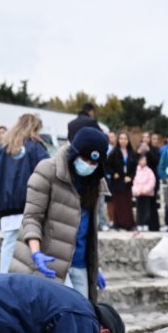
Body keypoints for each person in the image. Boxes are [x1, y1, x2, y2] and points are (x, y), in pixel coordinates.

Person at [8, 124, 111, 296]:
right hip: (49, 260)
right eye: (85, 159)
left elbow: (88, 229)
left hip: (79, 263)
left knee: (82, 315)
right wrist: (36, 253)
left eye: (94, 163)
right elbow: (32, 217)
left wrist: (94, 265)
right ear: (74, 153)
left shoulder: (95, 183)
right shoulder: (48, 171)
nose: (88, 165)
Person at [0, 113, 51, 273]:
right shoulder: (36, 147)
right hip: (30, 204)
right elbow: (47, 173)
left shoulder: (1, 148)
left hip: (5, 206)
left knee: (9, 243)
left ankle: (4, 277)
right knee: (33, 244)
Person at [105, 131, 137, 231]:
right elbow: (106, 165)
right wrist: (113, 173)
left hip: (127, 182)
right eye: (121, 138)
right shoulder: (113, 152)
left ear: (128, 141)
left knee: (127, 204)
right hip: (117, 182)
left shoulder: (132, 153)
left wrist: (131, 177)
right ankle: (118, 224)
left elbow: (135, 168)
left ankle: (128, 224)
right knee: (118, 203)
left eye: (125, 139)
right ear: (118, 140)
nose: (123, 141)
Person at [132, 149, 158, 233]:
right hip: (138, 194)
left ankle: (146, 224)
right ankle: (139, 224)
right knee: (139, 210)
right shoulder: (136, 170)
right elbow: (134, 182)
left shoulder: (149, 171)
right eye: (141, 160)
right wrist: (137, 190)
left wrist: (146, 190)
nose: (143, 162)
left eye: (144, 160)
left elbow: (152, 181)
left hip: (146, 194)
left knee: (146, 210)